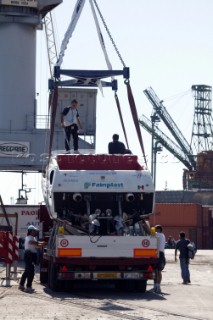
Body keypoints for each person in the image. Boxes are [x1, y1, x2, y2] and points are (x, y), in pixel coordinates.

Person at [19, 225, 45, 293]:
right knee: (31, 272)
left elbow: (36, 245)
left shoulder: (32, 237)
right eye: (34, 231)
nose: (35, 232)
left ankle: (21, 285)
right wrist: (41, 243)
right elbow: (32, 243)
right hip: (29, 256)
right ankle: (28, 287)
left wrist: (42, 244)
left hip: (30, 256)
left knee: (27, 271)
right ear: (30, 231)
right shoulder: (29, 237)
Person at [153, 225, 166, 293]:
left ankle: (157, 287)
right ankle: (156, 286)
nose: (154, 230)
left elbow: (149, 233)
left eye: (155, 229)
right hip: (161, 253)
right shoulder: (162, 235)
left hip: (159, 254)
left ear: (158, 229)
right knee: (157, 271)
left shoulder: (157, 234)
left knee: (158, 271)